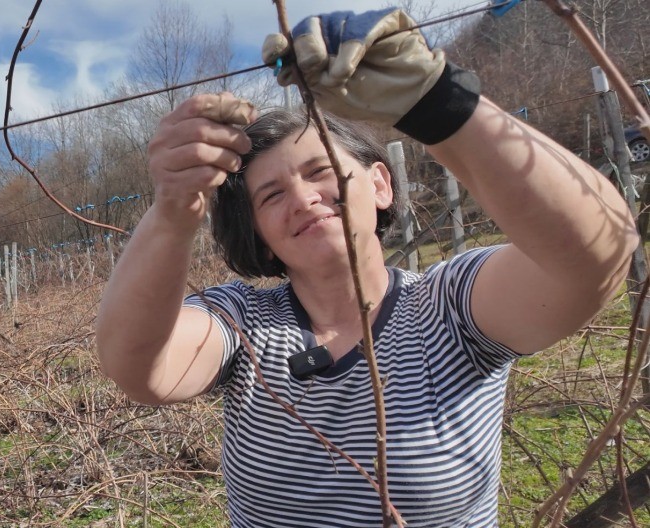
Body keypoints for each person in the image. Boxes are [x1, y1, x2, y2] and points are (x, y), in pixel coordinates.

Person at [95, 7, 638, 527]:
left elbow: (595, 256)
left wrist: (439, 103)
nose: (304, 198)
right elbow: (140, 366)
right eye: (271, 195)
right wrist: (172, 212)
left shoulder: (449, 308)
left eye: (320, 169)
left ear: (380, 184)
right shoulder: (241, 321)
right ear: (258, 234)